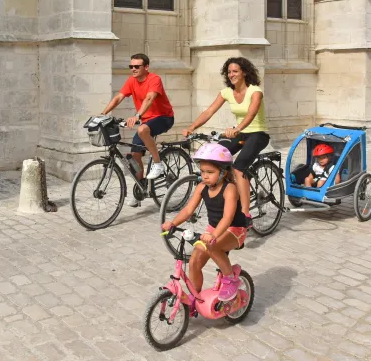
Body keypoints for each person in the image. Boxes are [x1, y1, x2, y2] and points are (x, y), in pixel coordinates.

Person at [182, 57, 268, 229]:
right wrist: (192, 127)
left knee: (239, 167)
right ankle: (228, 193)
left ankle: (245, 213)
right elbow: (209, 111)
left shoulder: (255, 91)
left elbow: (251, 114)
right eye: (229, 72)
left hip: (257, 133)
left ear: (244, 72)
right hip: (240, 133)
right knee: (215, 156)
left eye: (235, 71)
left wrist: (237, 128)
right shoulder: (227, 92)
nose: (231, 75)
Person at [161, 143, 245, 301]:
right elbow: (188, 210)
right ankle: (195, 298)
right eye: (202, 171)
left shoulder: (230, 189)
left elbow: (227, 218)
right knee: (194, 262)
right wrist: (173, 223)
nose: (205, 176)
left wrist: (213, 235)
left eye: (210, 172)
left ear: (224, 172)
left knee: (211, 246)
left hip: (234, 230)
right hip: (213, 229)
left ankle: (231, 279)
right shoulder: (201, 187)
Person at [102, 53, 175, 207]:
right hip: (147, 121)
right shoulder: (131, 81)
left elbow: (149, 98)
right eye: (131, 66)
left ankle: (158, 163)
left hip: (164, 117)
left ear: (146, 67)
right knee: (135, 155)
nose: (133, 69)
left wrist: (137, 116)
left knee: (142, 130)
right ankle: (140, 189)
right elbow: (118, 98)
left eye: (137, 66)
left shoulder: (154, 79)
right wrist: (103, 114)